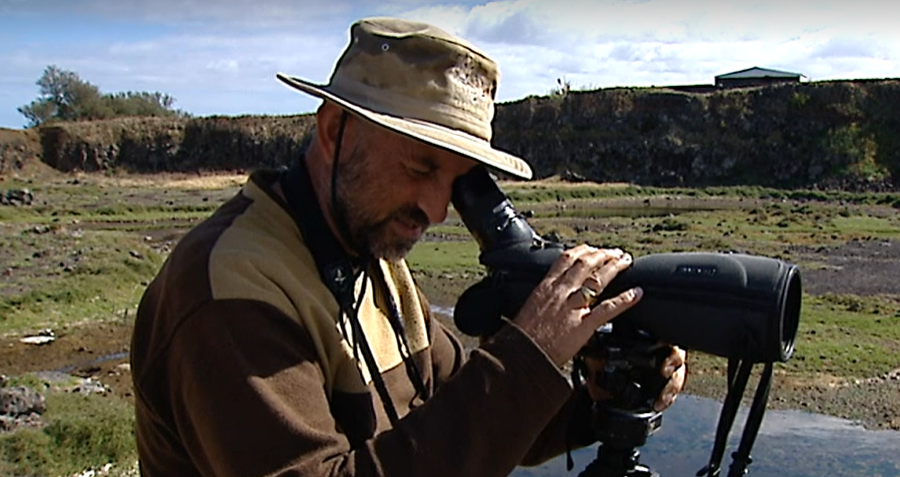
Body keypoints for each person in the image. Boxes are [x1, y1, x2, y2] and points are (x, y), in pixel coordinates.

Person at [130, 17, 685, 477]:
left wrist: (603, 399)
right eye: (419, 166)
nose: (437, 209)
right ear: (332, 130)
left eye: (456, 182)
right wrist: (527, 355)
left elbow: (456, 419)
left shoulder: (366, 258)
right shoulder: (233, 289)